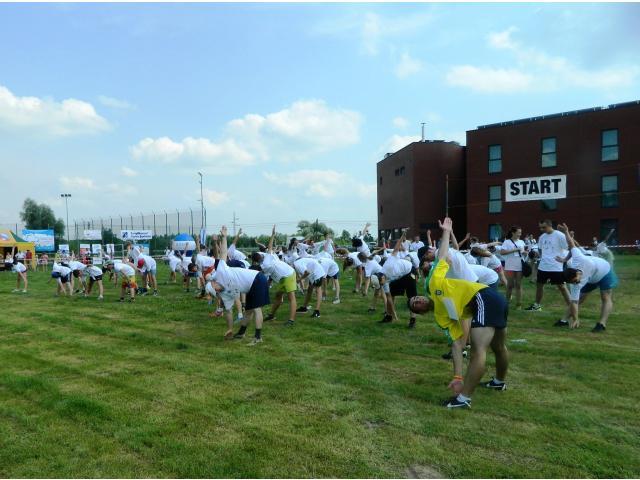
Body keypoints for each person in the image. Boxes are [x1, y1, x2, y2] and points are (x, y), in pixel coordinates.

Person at [409, 217, 509, 409]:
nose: (419, 301)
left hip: (484, 297)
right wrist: (457, 376)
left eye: (417, 298)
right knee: (497, 346)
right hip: (490, 301)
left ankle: (463, 399)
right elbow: (456, 344)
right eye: (416, 305)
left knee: (478, 350)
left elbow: (442, 257)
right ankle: (498, 382)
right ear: (420, 313)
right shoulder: (441, 317)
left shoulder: (434, 284)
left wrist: (446, 231)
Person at [209, 226, 270, 345]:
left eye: (215, 288)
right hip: (250, 286)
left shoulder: (221, 271)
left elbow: (223, 252)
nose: (217, 291)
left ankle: (258, 338)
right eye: (216, 292)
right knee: (248, 311)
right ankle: (241, 333)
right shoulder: (224, 294)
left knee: (257, 309)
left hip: (257, 279)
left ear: (213, 283)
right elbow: (229, 312)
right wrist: (230, 329)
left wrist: (224, 237)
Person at [555, 224, 617, 332]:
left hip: (604, 272)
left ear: (577, 273)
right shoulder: (575, 284)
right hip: (591, 278)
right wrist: (576, 319)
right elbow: (574, 302)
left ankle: (601, 324)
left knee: (605, 297)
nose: (576, 283)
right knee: (580, 298)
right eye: (573, 283)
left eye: (575, 281)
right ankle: (564, 320)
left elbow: (572, 244)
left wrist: (566, 232)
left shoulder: (581, 260)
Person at [525, 219, 571, 314]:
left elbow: (570, 247)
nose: (542, 229)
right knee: (539, 286)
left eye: (544, 227)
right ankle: (537, 306)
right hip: (543, 267)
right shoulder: (542, 237)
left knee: (562, 287)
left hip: (556, 267)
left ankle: (571, 308)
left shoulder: (559, 235)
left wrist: (564, 259)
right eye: (540, 227)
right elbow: (540, 250)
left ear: (550, 225)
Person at [258, 226, 298, 327]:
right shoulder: (270, 256)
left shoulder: (265, 264)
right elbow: (270, 246)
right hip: (282, 278)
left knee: (291, 297)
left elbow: (269, 246)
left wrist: (272, 235)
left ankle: (291, 320)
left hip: (288, 274)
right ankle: (271, 315)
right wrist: (272, 235)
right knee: (278, 296)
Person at [381, 230, 418, 328]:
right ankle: (389, 316)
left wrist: (402, 236)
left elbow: (396, 247)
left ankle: (413, 319)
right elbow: (388, 298)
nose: (383, 283)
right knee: (392, 294)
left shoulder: (389, 265)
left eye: (382, 281)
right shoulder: (384, 282)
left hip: (409, 271)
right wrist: (394, 314)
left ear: (382, 277)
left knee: (411, 296)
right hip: (399, 276)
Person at [500, 226, 526, 308]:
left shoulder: (521, 242)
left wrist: (525, 252)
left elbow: (523, 252)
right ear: (513, 233)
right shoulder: (507, 242)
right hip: (510, 267)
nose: (520, 234)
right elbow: (502, 252)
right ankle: (506, 303)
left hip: (520, 266)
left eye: (520, 233)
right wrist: (514, 250)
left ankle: (519, 304)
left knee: (518, 284)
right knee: (510, 285)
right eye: (518, 232)